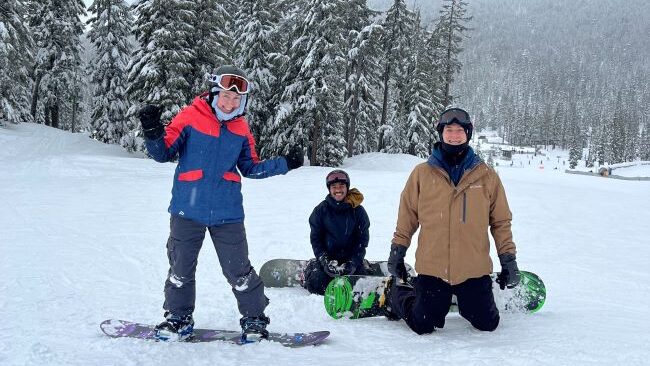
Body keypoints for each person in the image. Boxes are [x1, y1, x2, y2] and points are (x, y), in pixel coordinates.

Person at [137, 65, 304, 342]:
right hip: (186, 210)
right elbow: (163, 152)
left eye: (237, 99)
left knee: (239, 271)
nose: (230, 103)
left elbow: (250, 167)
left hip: (227, 213)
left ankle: (254, 319)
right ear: (215, 93)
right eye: (226, 96)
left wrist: (286, 163)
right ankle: (178, 318)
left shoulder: (241, 128)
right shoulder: (191, 116)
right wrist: (153, 131)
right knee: (180, 269)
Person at [386, 107, 520, 334]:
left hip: (473, 269)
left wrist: (508, 260)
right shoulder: (422, 174)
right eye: (449, 130)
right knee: (422, 323)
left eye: (460, 130)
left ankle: (472, 296)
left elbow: (500, 222)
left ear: (468, 134)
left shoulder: (486, 176)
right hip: (433, 268)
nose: (454, 135)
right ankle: (395, 293)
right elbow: (407, 215)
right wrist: (398, 251)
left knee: (488, 324)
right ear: (441, 133)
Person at [303, 170, 370, 295]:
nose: (338, 190)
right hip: (328, 259)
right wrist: (324, 260)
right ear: (329, 189)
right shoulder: (320, 210)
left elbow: (362, 240)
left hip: (350, 259)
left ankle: (363, 265)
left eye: (341, 186)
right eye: (334, 187)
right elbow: (316, 239)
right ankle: (309, 269)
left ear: (347, 188)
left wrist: (354, 262)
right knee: (318, 285)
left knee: (360, 286)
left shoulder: (358, 211)